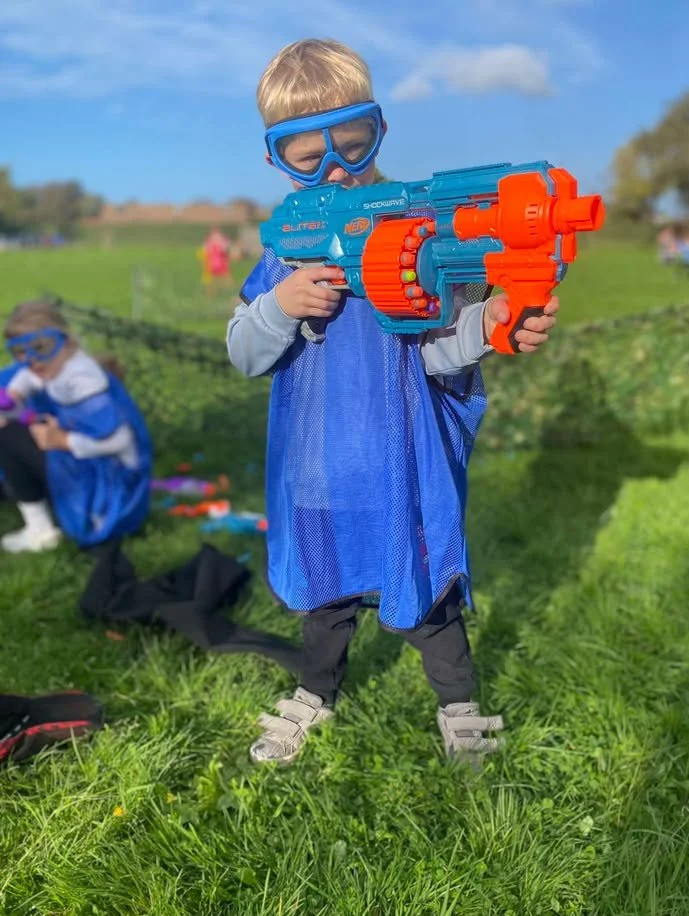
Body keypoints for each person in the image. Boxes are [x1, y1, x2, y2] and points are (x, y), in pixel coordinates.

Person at [226, 39, 558, 765]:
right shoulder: (282, 255)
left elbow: (439, 352)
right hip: (318, 473)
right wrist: (281, 303)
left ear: (379, 129)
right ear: (274, 159)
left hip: (402, 467)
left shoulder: (419, 236)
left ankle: (460, 707)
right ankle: (316, 695)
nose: (335, 169)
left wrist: (490, 325)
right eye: (306, 155)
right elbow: (245, 353)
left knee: (432, 603)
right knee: (326, 603)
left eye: (352, 144)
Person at [0, 300, 153, 553]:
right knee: (11, 426)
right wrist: (15, 394)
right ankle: (40, 521)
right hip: (99, 475)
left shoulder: (83, 381)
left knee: (6, 435)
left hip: (112, 494)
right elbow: (28, 376)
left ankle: (40, 531)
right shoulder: (61, 366)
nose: (33, 360)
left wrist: (61, 441)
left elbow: (121, 441)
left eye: (41, 348)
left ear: (66, 342)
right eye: (21, 352)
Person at [202, 226, 234, 296]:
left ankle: (213, 293)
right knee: (224, 276)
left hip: (213, 262)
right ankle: (229, 290)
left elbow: (205, 250)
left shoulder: (209, 240)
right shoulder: (221, 239)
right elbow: (225, 249)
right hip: (219, 261)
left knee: (214, 279)